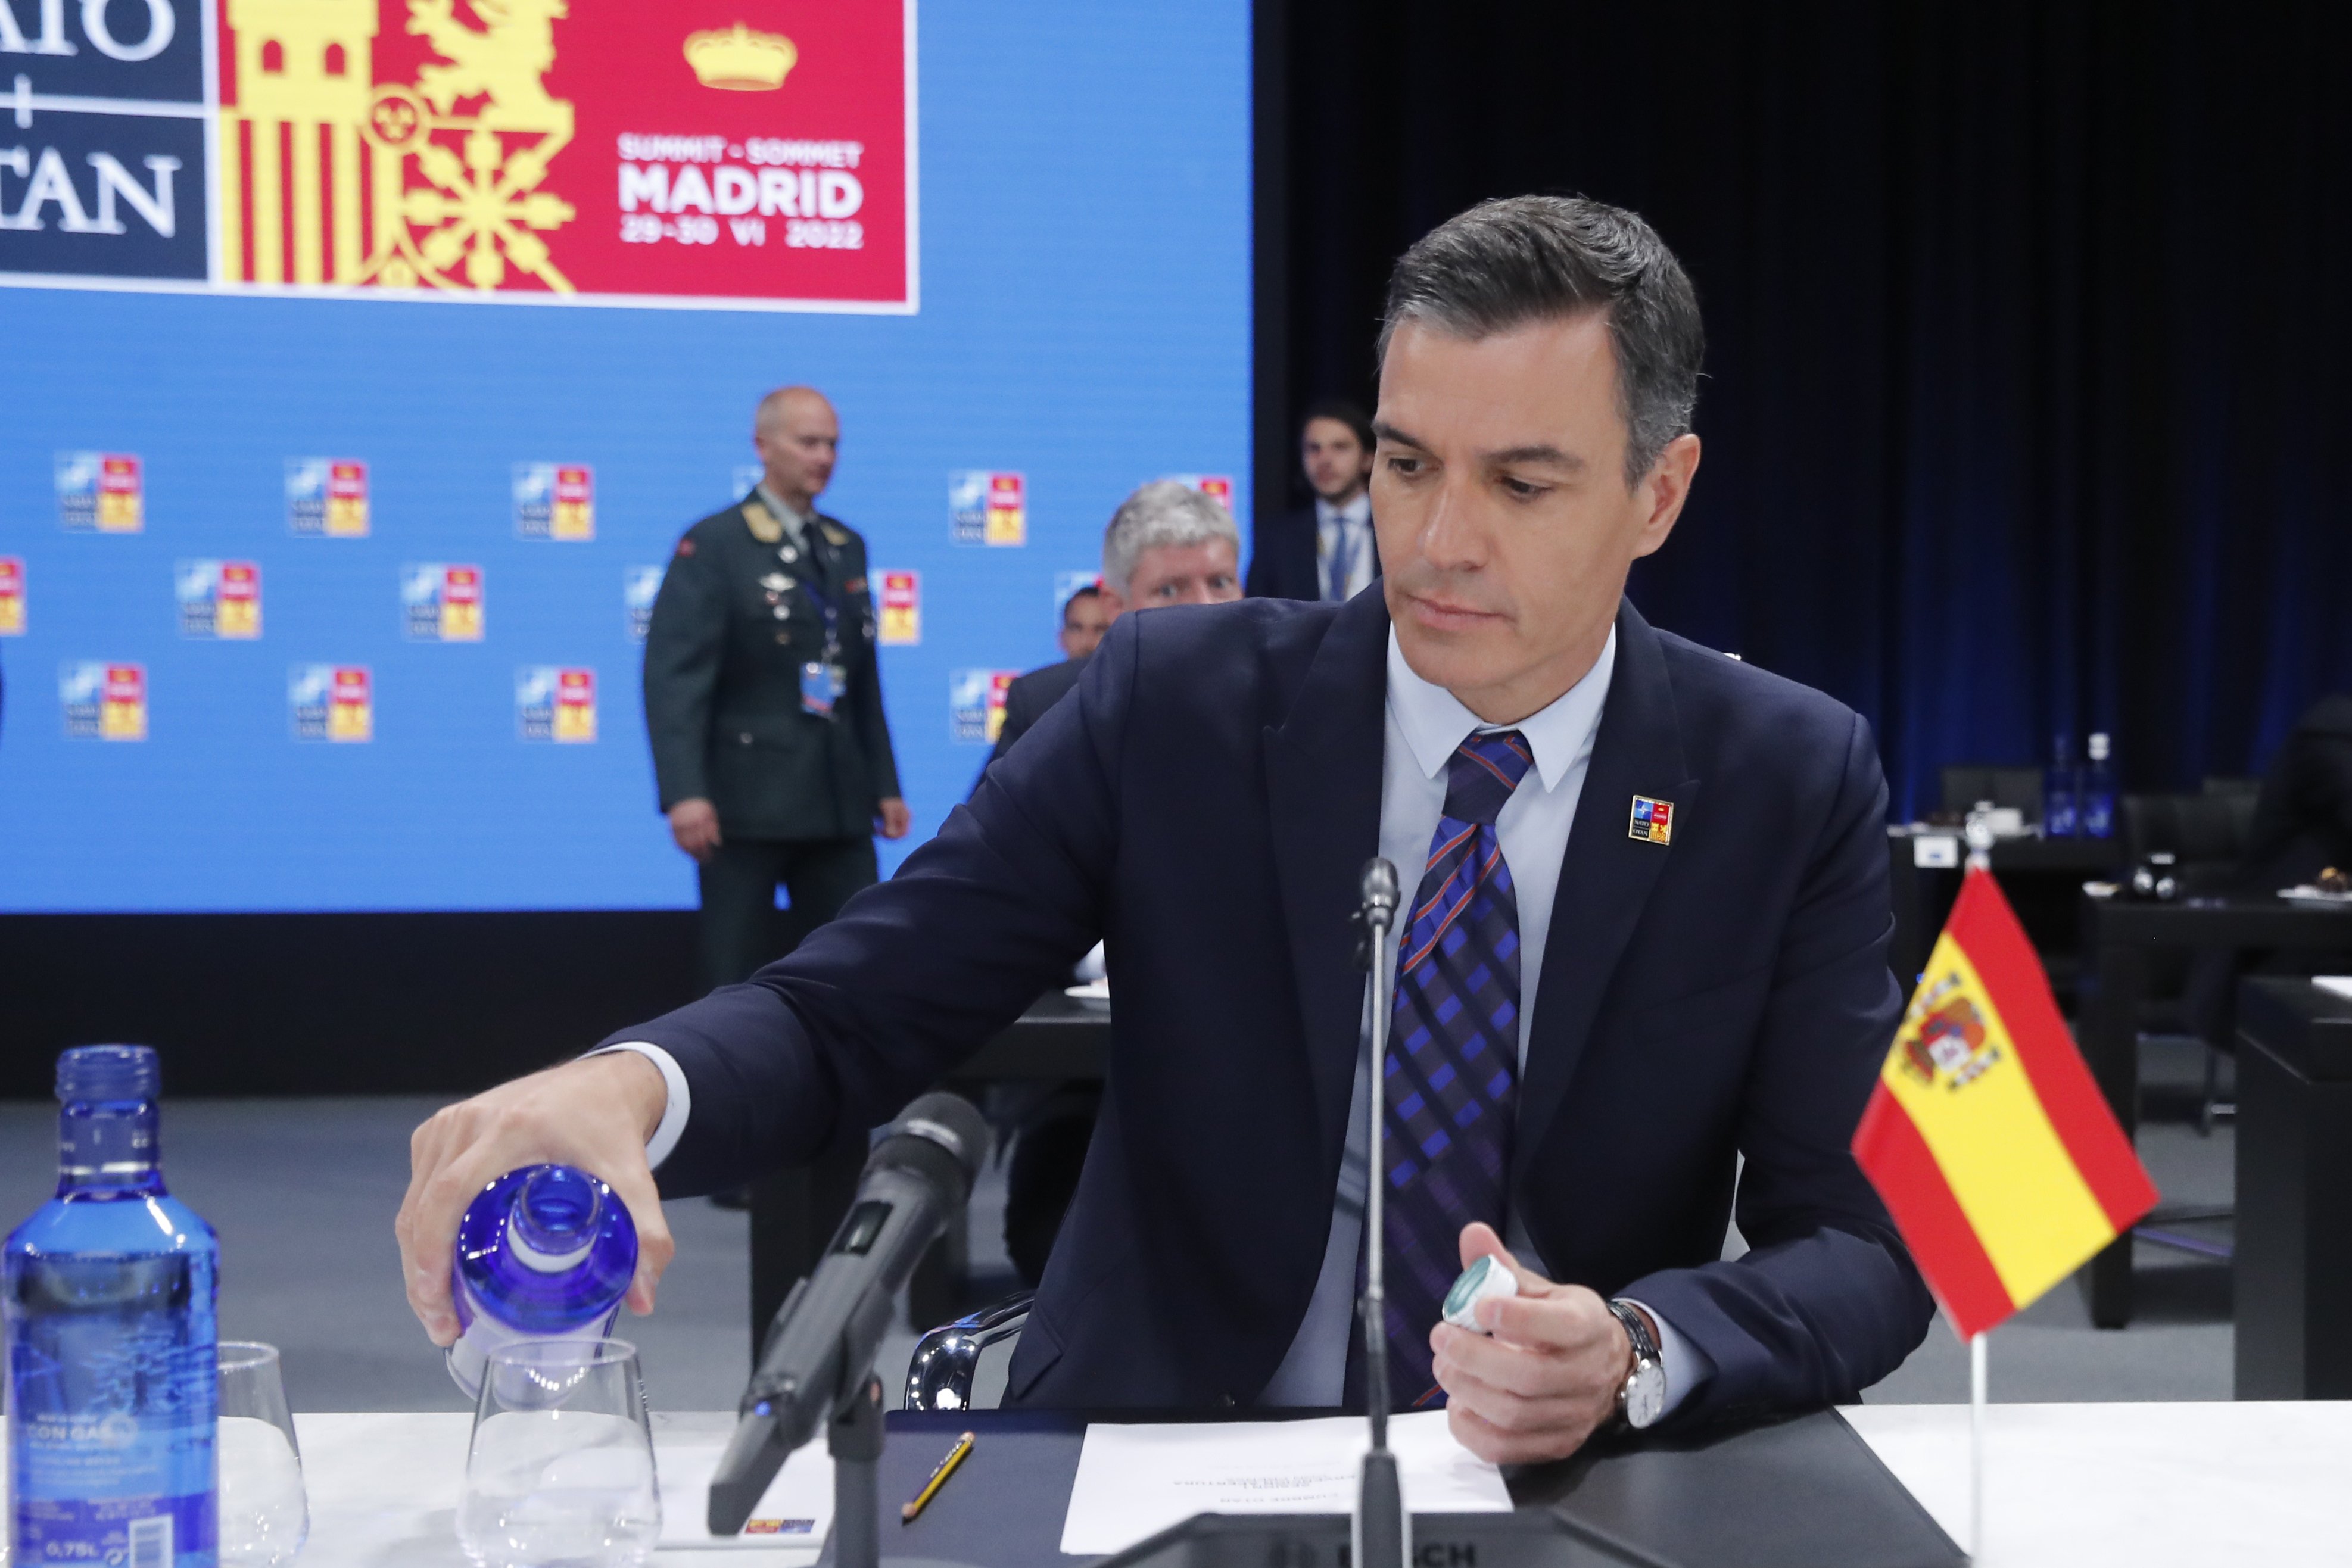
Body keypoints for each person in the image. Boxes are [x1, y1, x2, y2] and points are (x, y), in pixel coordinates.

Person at [401, 196, 1932, 1463]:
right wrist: (630, 1087)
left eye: (1523, 483)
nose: (1441, 540)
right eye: (1406, 465)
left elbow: (1863, 1248)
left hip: (1558, 1481)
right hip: (1151, 1452)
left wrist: (1636, 1352)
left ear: (1659, 495)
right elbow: (852, 1007)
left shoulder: (1781, 775)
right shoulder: (1173, 704)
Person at [643, 386, 911, 996]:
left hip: (837, 797)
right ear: (763, 446)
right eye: (807, 441)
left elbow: (861, 678)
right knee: (733, 976)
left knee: (859, 965)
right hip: (746, 804)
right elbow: (675, 677)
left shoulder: (845, 546)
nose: (823, 456)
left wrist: (885, 783)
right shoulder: (715, 545)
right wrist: (685, 794)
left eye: (832, 444)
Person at [986, 481, 1243, 770]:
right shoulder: (1046, 707)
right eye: (1170, 590)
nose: (1206, 607)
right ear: (1115, 606)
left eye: (1220, 583)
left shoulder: (1286, 701)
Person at [1246, 398, 1379, 601]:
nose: (1324, 460)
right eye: (1314, 449)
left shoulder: (1398, 531)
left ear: (1368, 459)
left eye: (1340, 447)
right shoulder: (1276, 541)